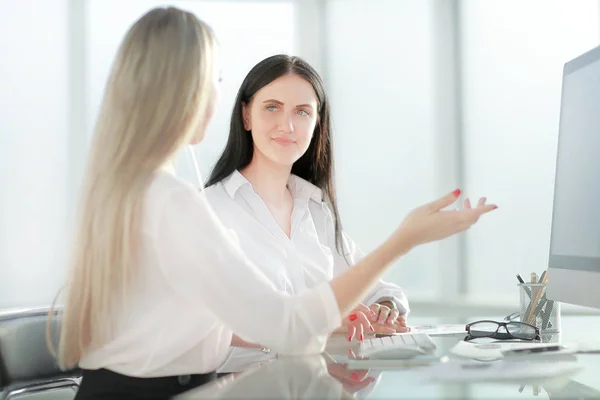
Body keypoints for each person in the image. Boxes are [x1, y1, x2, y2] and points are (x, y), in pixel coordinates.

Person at [51, 6, 496, 399]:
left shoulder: (130, 193)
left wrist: (333, 317)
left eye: (303, 111)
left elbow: (206, 321)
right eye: (214, 81)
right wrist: (403, 240)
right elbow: (285, 328)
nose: (215, 96)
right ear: (185, 91)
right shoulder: (175, 204)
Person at [204, 55, 416, 372]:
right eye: (272, 107)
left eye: (302, 112)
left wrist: (381, 309)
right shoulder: (211, 208)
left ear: (317, 123)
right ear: (246, 115)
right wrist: (322, 323)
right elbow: (203, 325)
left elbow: (381, 290)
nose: (287, 126)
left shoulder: (316, 210)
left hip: (316, 380)